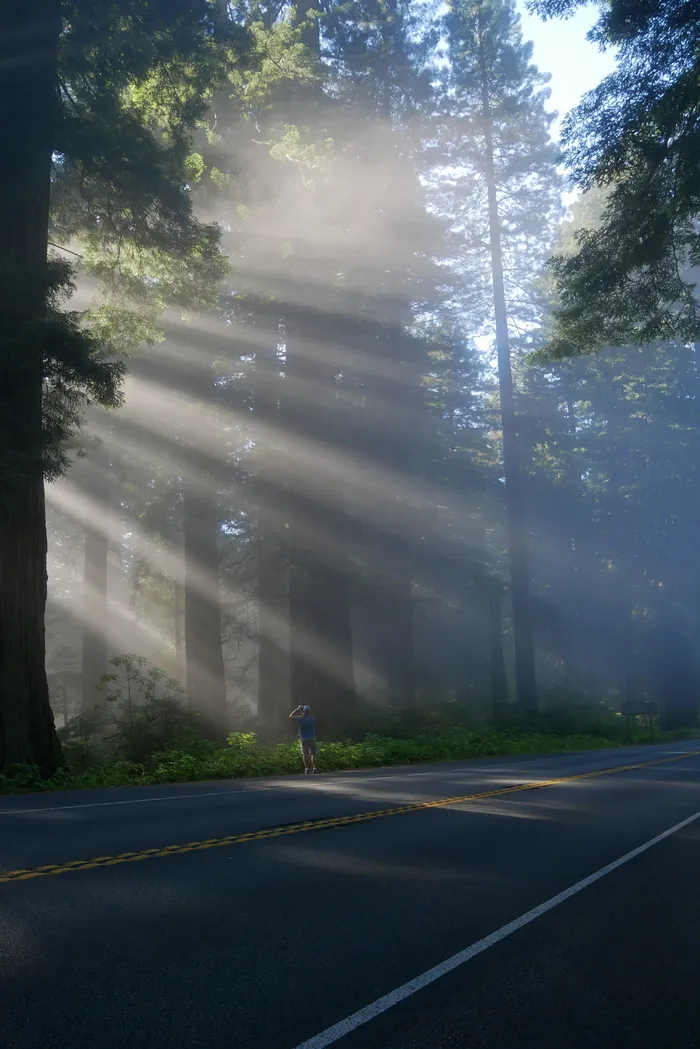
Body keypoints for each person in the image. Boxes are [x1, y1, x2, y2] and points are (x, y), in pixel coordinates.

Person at [289, 704, 319, 774]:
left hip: (303, 738)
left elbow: (290, 717)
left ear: (303, 711)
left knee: (305, 754)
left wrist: (297, 709)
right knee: (314, 753)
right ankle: (314, 768)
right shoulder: (312, 718)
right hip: (312, 737)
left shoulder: (300, 719)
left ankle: (307, 769)